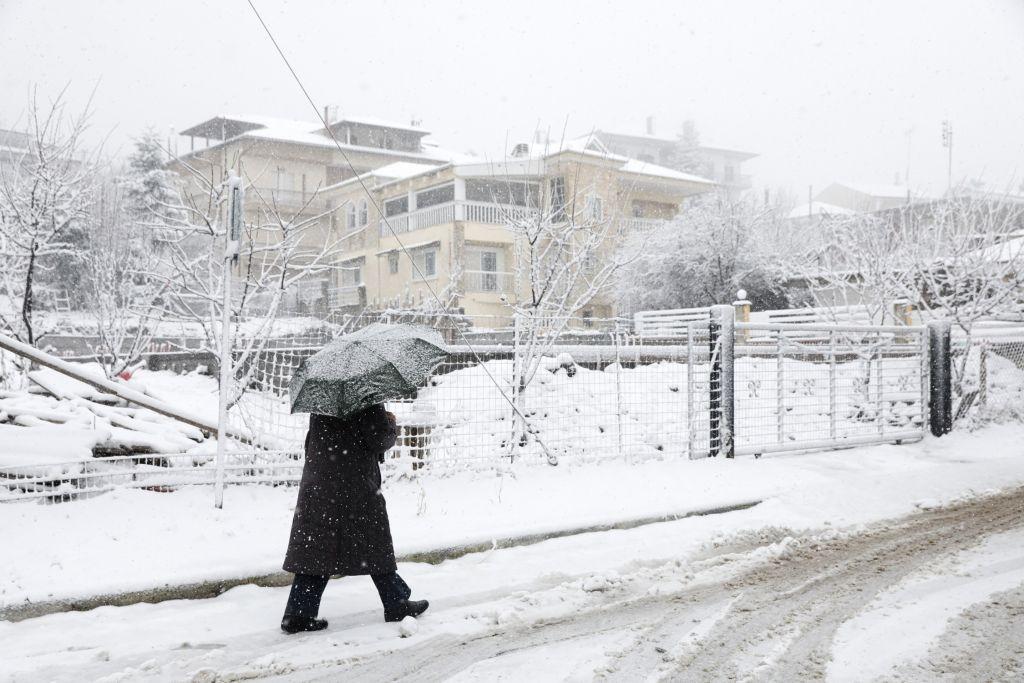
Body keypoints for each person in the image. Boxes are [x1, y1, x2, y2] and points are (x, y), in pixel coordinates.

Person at [280, 403, 429, 634]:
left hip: (320, 486)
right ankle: (396, 604)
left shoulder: (323, 402)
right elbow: (380, 441)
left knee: (319, 547)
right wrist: (390, 423)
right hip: (354, 487)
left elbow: (311, 444)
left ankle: (299, 613)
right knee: (374, 544)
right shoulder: (367, 399)